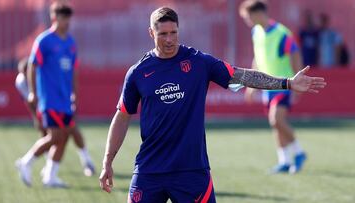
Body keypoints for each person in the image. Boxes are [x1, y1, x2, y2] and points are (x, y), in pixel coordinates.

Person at [99, 6, 325, 202]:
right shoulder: (138, 72)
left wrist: (287, 83)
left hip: (192, 171)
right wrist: (107, 161)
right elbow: (122, 115)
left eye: (173, 33)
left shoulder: (198, 62)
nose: (169, 39)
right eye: (162, 34)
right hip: (150, 170)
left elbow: (242, 76)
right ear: (151, 33)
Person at [15, 1, 94, 188]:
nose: (66, 21)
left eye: (68, 18)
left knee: (64, 136)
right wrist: (34, 92)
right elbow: (32, 66)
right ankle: (26, 162)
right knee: (55, 135)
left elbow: (74, 71)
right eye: (63, 17)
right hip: (49, 99)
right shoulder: (44, 40)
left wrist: (75, 95)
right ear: (54, 18)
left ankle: (50, 176)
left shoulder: (71, 43)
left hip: (65, 99)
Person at [239, 0, 308, 174]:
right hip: (266, 86)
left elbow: (296, 54)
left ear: (258, 13)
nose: (247, 21)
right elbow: (258, 58)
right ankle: (284, 161)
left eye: (247, 17)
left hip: (284, 84)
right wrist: (252, 84)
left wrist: (296, 82)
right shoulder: (256, 32)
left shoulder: (281, 33)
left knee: (275, 119)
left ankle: (299, 152)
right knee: (276, 124)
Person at [15, 57, 96, 178]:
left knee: (68, 131)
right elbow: (30, 101)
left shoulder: (45, 73)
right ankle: (39, 167)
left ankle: (84, 161)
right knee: (55, 135)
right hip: (48, 106)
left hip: (57, 103)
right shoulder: (21, 82)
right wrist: (36, 118)